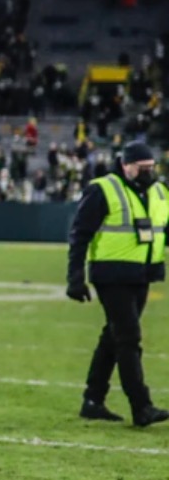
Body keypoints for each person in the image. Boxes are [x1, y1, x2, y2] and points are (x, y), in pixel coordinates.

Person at [66, 139, 169, 427]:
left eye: (152, 167)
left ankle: (92, 399)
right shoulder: (103, 189)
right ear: (126, 166)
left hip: (143, 275)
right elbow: (80, 234)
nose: (150, 172)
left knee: (114, 336)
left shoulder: (161, 193)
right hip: (111, 275)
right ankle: (141, 406)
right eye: (143, 167)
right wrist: (75, 277)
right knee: (128, 337)